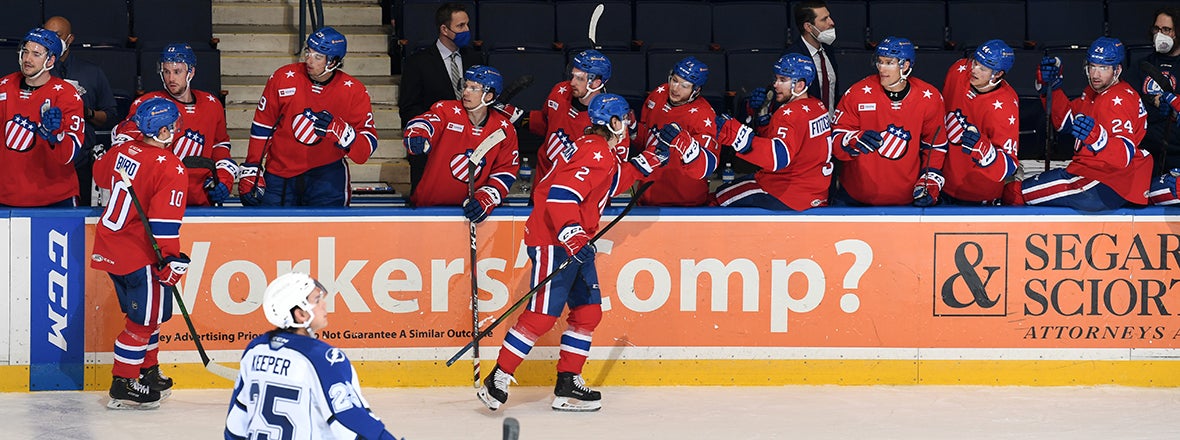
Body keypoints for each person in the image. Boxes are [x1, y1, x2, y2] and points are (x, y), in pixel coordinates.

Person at [477, 94, 669, 413]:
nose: (629, 126)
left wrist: (645, 162)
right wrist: (571, 233)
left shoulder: (596, 150)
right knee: (541, 316)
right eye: (625, 119)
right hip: (555, 240)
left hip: (575, 242)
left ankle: (568, 382)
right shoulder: (594, 151)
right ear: (614, 122)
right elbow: (561, 197)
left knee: (588, 312)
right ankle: (498, 376)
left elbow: (606, 184)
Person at [90, 98, 188, 410]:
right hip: (141, 254)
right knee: (142, 323)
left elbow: (100, 175)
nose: (175, 130)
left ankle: (148, 371)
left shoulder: (122, 150)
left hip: (110, 249)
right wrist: (171, 258)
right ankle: (124, 382)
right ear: (161, 130)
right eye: (172, 125)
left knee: (148, 315)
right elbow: (162, 224)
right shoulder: (172, 167)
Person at [224, 272, 400, 440]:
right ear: (300, 314)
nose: (324, 304)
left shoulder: (255, 349)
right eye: (316, 300)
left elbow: (235, 424)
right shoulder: (323, 359)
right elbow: (351, 421)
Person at [1005, 37, 1152, 211]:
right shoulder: (1094, 92)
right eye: (1092, 66)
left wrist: (1099, 139)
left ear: (1117, 70)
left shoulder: (1117, 100)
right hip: (1091, 174)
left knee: (1014, 193)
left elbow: (1124, 154)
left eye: (1103, 68)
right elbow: (1066, 122)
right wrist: (1050, 88)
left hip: (1106, 183)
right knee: (1020, 190)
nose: (1095, 74)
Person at [239, 26, 378, 207]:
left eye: (318, 56)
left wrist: (345, 135)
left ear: (334, 61)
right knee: (273, 233)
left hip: (327, 177)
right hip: (280, 173)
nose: (309, 60)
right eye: (308, 52)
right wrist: (252, 166)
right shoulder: (283, 78)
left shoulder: (354, 91)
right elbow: (262, 126)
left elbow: (365, 150)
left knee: (328, 233)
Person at [112, 43, 236, 207]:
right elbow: (126, 147)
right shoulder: (148, 104)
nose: (171, 78)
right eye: (166, 72)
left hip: (200, 199)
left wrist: (224, 176)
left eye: (177, 72)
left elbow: (220, 145)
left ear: (191, 72)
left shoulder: (212, 105)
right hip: (158, 199)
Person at [831, 36, 949, 206]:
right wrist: (851, 140)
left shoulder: (929, 98)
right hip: (855, 198)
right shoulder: (856, 93)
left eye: (889, 62)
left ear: (906, 65)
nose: (882, 68)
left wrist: (930, 180)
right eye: (880, 62)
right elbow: (835, 142)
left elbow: (934, 146)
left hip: (907, 200)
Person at [713, 53, 833, 210]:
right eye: (776, 78)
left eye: (783, 80)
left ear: (800, 85)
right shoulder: (818, 106)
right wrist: (763, 118)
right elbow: (792, 142)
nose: (775, 84)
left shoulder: (788, 114)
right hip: (815, 191)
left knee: (718, 198)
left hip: (786, 193)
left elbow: (779, 158)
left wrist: (737, 135)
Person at [403, 65, 519, 220]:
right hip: (428, 209)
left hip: (469, 213)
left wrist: (487, 198)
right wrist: (418, 133)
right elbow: (427, 121)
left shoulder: (504, 130)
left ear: (489, 96)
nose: (465, 92)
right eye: (465, 86)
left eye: (473, 88)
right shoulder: (447, 110)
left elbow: (505, 171)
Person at [398, 2, 484, 199]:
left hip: (469, 149)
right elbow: (409, 108)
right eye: (460, 26)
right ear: (444, 29)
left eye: (467, 25)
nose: (467, 30)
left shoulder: (475, 59)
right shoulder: (418, 62)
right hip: (432, 151)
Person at [0, 27, 85, 208]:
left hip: (54, 197)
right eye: (25, 52)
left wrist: (57, 136)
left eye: (36, 54)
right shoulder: (4, 86)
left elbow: (70, 155)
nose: (27, 59)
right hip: (6, 195)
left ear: (51, 60)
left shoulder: (67, 95)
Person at [43, 16, 119, 207]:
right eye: (47, 35)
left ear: (70, 39)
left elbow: (110, 116)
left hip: (81, 163)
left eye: (57, 36)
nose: (51, 41)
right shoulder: (37, 73)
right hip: (43, 163)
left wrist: (87, 112)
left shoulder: (91, 73)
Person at [939, 39, 1020, 205]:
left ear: (998, 74)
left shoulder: (1006, 105)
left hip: (980, 193)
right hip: (943, 183)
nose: (973, 70)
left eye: (983, 68)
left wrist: (987, 152)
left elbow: (1009, 166)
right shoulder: (958, 70)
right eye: (975, 62)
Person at [526, 49, 621, 188]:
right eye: (573, 76)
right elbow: (545, 122)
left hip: (577, 195)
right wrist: (514, 115)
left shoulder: (611, 117)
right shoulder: (560, 91)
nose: (572, 82)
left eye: (580, 78)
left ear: (596, 83)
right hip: (543, 187)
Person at [633, 56, 719, 206]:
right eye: (674, 80)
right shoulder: (658, 94)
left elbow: (707, 166)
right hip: (648, 197)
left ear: (696, 90)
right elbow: (645, 140)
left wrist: (686, 145)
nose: (675, 88)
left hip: (686, 203)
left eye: (684, 85)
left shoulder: (704, 116)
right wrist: (633, 130)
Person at [1127, 6, 1180, 174]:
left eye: (1167, 30)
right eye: (1157, 29)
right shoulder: (1142, 65)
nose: (1160, 34)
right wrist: (1156, 104)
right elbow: (1130, 103)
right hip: (1145, 147)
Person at [787, 1, 839, 113]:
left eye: (829, 17)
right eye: (824, 19)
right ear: (808, 27)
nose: (832, 22)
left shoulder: (828, 49)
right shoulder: (792, 59)